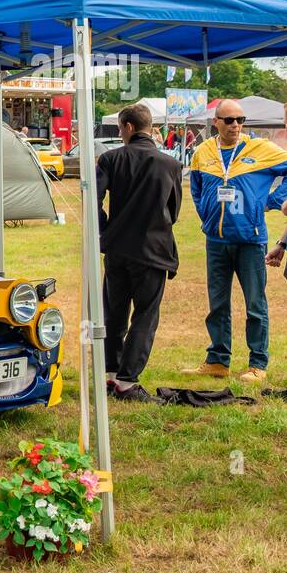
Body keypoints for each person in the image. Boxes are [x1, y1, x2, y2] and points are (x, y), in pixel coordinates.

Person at [183, 99, 287, 384]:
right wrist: (206, 215)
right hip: (216, 240)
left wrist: (276, 200)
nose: (236, 125)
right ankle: (217, 360)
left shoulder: (260, 149)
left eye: (240, 120)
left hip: (250, 240)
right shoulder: (203, 151)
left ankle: (257, 363)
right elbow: (196, 188)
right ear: (215, 121)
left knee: (255, 303)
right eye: (229, 120)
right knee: (217, 303)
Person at [96, 104, 183, 400]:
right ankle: (126, 379)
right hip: (153, 249)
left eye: (120, 129)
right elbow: (174, 211)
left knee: (114, 313)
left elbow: (92, 200)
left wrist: (105, 229)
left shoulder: (110, 159)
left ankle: (110, 374)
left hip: (118, 249)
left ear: (128, 127)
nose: (120, 133)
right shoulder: (170, 165)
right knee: (146, 316)